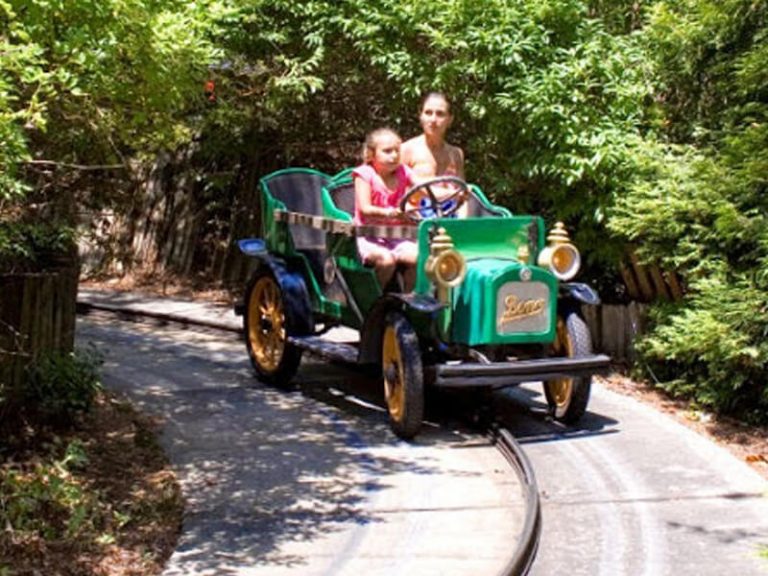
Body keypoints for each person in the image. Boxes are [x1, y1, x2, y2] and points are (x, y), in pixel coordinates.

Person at [353, 128, 418, 291]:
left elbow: (424, 187)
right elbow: (365, 208)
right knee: (386, 260)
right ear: (371, 154)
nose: (394, 155)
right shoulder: (364, 174)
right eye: (387, 151)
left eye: (397, 151)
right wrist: (389, 212)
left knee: (420, 257)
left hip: (397, 236)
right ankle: (376, 303)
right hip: (369, 236)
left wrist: (454, 193)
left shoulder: (404, 171)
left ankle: (409, 302)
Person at [401, 92, 467, 216]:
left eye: (440, 114)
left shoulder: (456, 154)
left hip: (450, 219)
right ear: (420, 116)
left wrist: (462, 227)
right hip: (415, 221)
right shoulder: (406, 150)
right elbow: (397, 195)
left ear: (450, 120)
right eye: (428, 113)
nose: (433, 120)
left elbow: (462, 197)